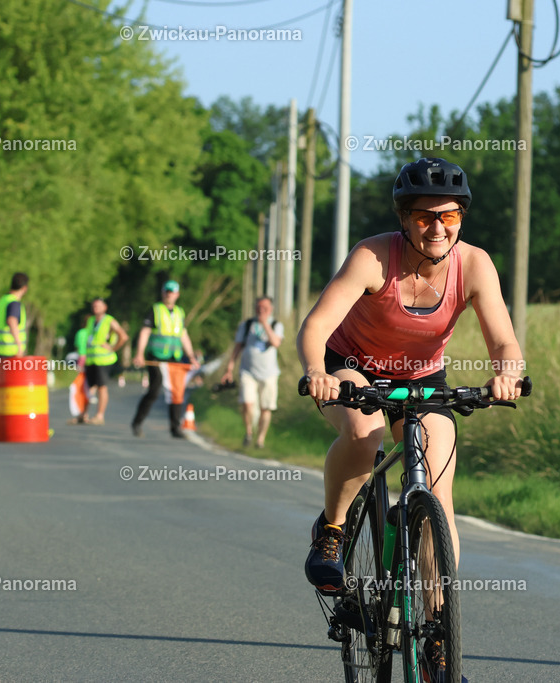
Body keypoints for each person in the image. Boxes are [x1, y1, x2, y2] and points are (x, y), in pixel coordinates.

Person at [297, 158, 524, 681]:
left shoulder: (475, 265)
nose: (437, 227)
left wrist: (507, 373)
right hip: (351, 369)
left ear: (461, 217)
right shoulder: (374, 257)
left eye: (448, 215)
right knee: (365, 428)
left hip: (424, 380)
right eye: (424, 216)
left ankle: (438, 634)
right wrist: (317, 371)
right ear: (404, 218)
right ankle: (332, 530)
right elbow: (316, 325)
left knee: (437, 493)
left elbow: (504, 340)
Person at [131, 280, 199, 438]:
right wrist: (139, 353)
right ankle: (137, 422)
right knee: (154, 390)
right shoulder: (155, 310)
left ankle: (175, 428)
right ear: (163, 293)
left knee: (176, 392)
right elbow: (145, 332)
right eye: (167, 291)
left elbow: (183, 335)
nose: (169, 294)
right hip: (156, 357)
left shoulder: (180, 312)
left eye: (172, 292)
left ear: (177, 294)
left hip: (174, 358)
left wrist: (191, 357)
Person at [221, 296, 284, 448]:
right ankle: (249, 432)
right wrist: (229, 368)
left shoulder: (276, 325)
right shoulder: (247, 324)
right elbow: (237, 347)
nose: (261, 311)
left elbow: (276, 343)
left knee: (266, 407)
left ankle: (260, 439)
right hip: (248, 371)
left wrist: (265, 324)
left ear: (271, 309)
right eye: (258, 308)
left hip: (269, 373)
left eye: (265, 308)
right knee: (247, 404)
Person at [72, 299, 128, 425]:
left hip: (104, 360)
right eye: (94, 306)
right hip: (91, 360)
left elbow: (123, 336)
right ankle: (83, 414)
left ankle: (99, 415)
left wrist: (113, 348)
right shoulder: (91, 320)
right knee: (88, 388)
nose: (95, 308)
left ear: (105, 307)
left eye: (98, 306)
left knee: (102, 388)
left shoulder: (109, 320)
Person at [0, 272, 28, 358]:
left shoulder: (3, 300)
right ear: (25, 288)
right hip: (9, 353)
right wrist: (19, 346)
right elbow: (12, 320)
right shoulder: (14, 303)